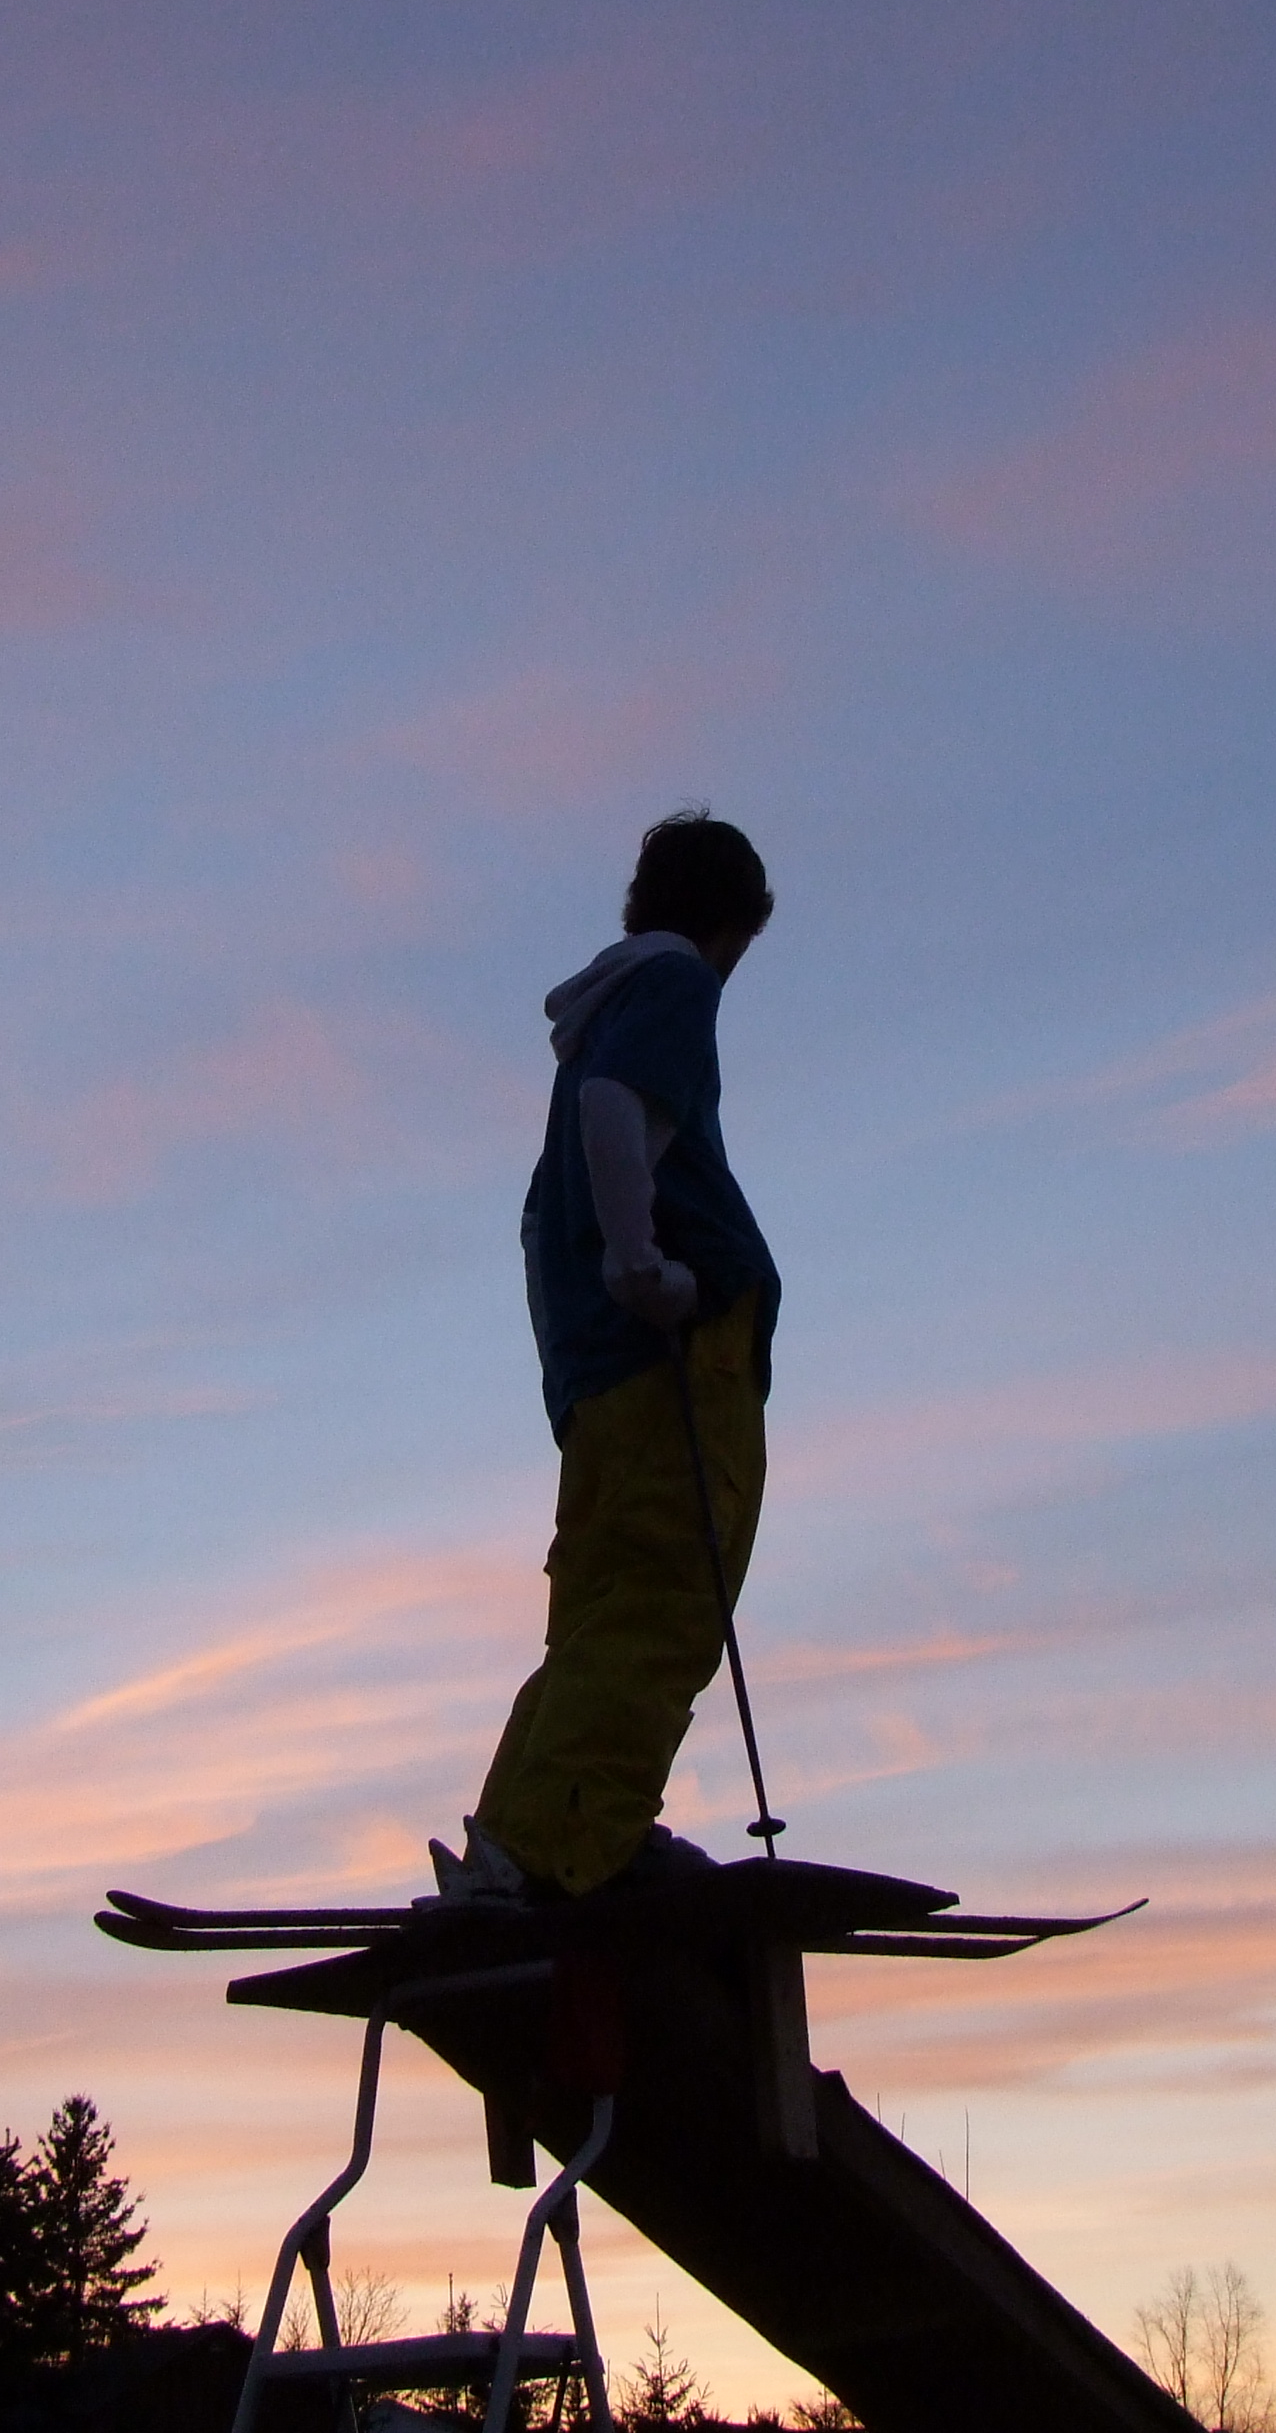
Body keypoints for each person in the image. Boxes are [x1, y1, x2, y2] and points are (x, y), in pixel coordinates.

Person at [435, 812, 779, 1906]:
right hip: (673, 1361)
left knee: (597, 1610)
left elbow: (555, 1202)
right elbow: (617, 1107)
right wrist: (648, 1270)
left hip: (598, 1385)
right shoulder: (672, 988)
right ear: (731, 923)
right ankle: (563, 1846)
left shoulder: (594, 1025)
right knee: (673, 1590)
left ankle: (526, 1831)